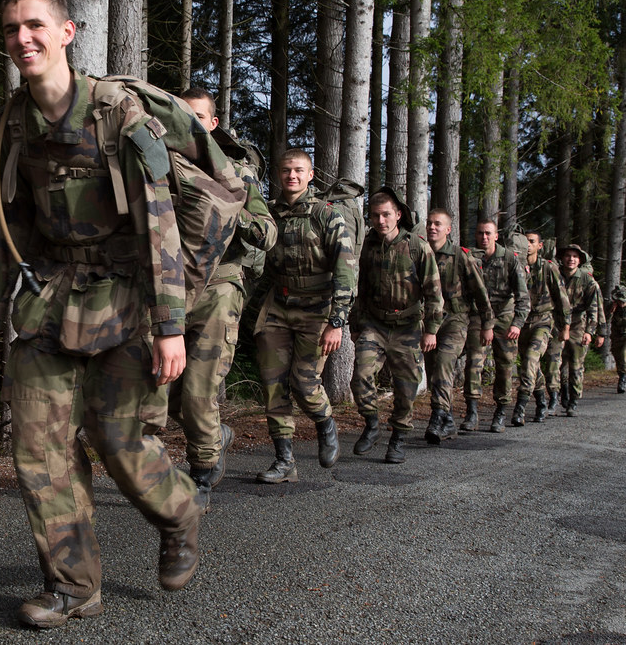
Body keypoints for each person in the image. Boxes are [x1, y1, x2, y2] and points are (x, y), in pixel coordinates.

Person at [0, 0, 237, 628]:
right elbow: (8, 232)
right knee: (39, 448)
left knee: (120, 443)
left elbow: (162, 226)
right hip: (47, 299)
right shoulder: (7, 126)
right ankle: (72, 585)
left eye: (35, 26)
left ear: (67, 33)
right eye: (11, 30)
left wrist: (170, 326)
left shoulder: (120, 116)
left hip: (127, 298)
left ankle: (179, 513)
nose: (23, 39)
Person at [170, 88, 277, 508]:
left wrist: (232, 209)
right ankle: (217, 436)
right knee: (165, 396)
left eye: (199, 116)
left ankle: (201, 473)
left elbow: (267, 234)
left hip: (220, 285)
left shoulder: (235, 170)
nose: (191, 124)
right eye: (184, 115)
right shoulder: (163, 164)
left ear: (213, 123)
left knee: (198, 391)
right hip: (172, 288)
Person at [253, 149, 356, 483]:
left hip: (317, 311)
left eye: (298, 170)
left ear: (310, 175)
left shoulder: (327, 215)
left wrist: (336, 321)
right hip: (279, 307)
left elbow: (345, 272)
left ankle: (325, 423)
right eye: (285, 171)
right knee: (272, 384)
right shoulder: (270, 214)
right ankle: (285, 461)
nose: (291, 176)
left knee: (304, 382)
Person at [350, 188, 443, 464]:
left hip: (408, 327)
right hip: (375, 325)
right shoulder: (368, 246)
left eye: (386, 214)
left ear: (398, 215)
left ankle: (399, 437)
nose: (381, 221)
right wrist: (356, 324)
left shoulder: (416, 246)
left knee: (406, 388)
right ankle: (372, 424)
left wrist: (431, 330)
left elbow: (434, 292)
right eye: (376, 216)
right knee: (360, 377)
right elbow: (361, 288)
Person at [423, 208, 493, 444]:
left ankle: (438, 415)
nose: (432, 227)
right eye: (430, 223)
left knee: (444, 364)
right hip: (429, 322)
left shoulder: (460, 256)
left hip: (456, 319)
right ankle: (449, 421)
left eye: (438, 224)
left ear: (448, 229)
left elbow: (480, 293)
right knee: (434, 372)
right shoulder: (420, 253)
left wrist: (487, 325)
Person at [461, 220, 529, 432]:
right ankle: (472, 411)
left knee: (505, 365)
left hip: (504, 316)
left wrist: (517, 324)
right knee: (474, 361)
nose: (484, 237)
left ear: (496, 236)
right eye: (480, 233)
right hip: (479, 317)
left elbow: (523, 297)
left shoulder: (509, 259)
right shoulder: (471, 257)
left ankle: (501, 410)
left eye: (488, 233)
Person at [510, 233, 570, 426]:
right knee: (530, 366)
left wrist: (565, 326)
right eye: (525, 241)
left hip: (543, 322)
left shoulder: (548, 268)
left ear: (540, 246)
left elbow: (561, 298)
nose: (528, 245)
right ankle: (542, 401)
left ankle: (520, 407)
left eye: (532, 242)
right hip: (521, 323)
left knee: (530, 359)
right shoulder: (516, 266)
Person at [555, 244, 601, 416]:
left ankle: (573, 400)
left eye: (575, 256)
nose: (571, 259)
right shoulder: (556, 275)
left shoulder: (587, 280)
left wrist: (590, 331)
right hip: (558, 323)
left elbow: (594, 308)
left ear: (580, 260)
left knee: (576, 364)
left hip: (578, 325)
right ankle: (562, 394)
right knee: (558, 363)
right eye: (568, 255)